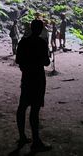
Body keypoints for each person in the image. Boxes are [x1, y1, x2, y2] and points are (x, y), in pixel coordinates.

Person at [15, 19, 52, 152]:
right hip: (38, 78)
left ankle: (22, 136)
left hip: (26, 78)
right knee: (35, 110)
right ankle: (36, 141)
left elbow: (19, 61)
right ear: (41, 29)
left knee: (22, 106)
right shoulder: (41, 43)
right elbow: (46, 63)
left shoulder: (23, 42)